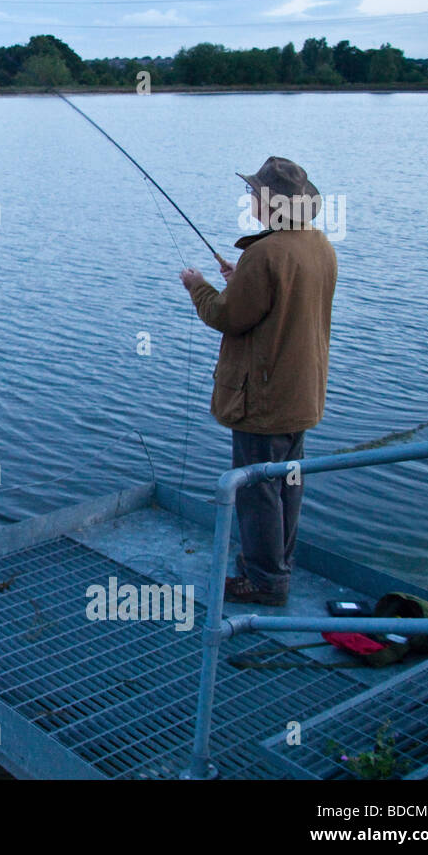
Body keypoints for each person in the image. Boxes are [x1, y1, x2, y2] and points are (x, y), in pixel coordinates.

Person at [178, 157, 338, 606]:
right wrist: (239, 278)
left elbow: (227, 317)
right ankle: (274, 565)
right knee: (287, 484)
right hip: (300, 392)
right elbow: (280, 301)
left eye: (254, 193)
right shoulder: (317, 244)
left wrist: (199, 286)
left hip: (263, 397)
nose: (249, 198)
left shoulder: (265, 253)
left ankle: (265, 581)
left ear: (271, 205)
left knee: (257, 490)